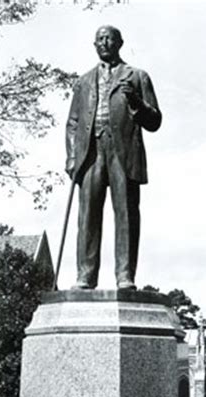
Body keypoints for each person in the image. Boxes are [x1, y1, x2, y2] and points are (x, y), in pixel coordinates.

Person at [65, 25, 162, 290]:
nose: (105, 42)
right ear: (94, 44)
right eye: (100, 39)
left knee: (127, 214)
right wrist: (72, 158)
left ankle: (125, 276)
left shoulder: (137, 76)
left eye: (110, 38)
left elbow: (154, 121)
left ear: (120, 43)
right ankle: (85, 276)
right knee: (87, 216)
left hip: (124, 152)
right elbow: (73, 123)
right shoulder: (84, 81)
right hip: (91, 151)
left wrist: (136, 103)